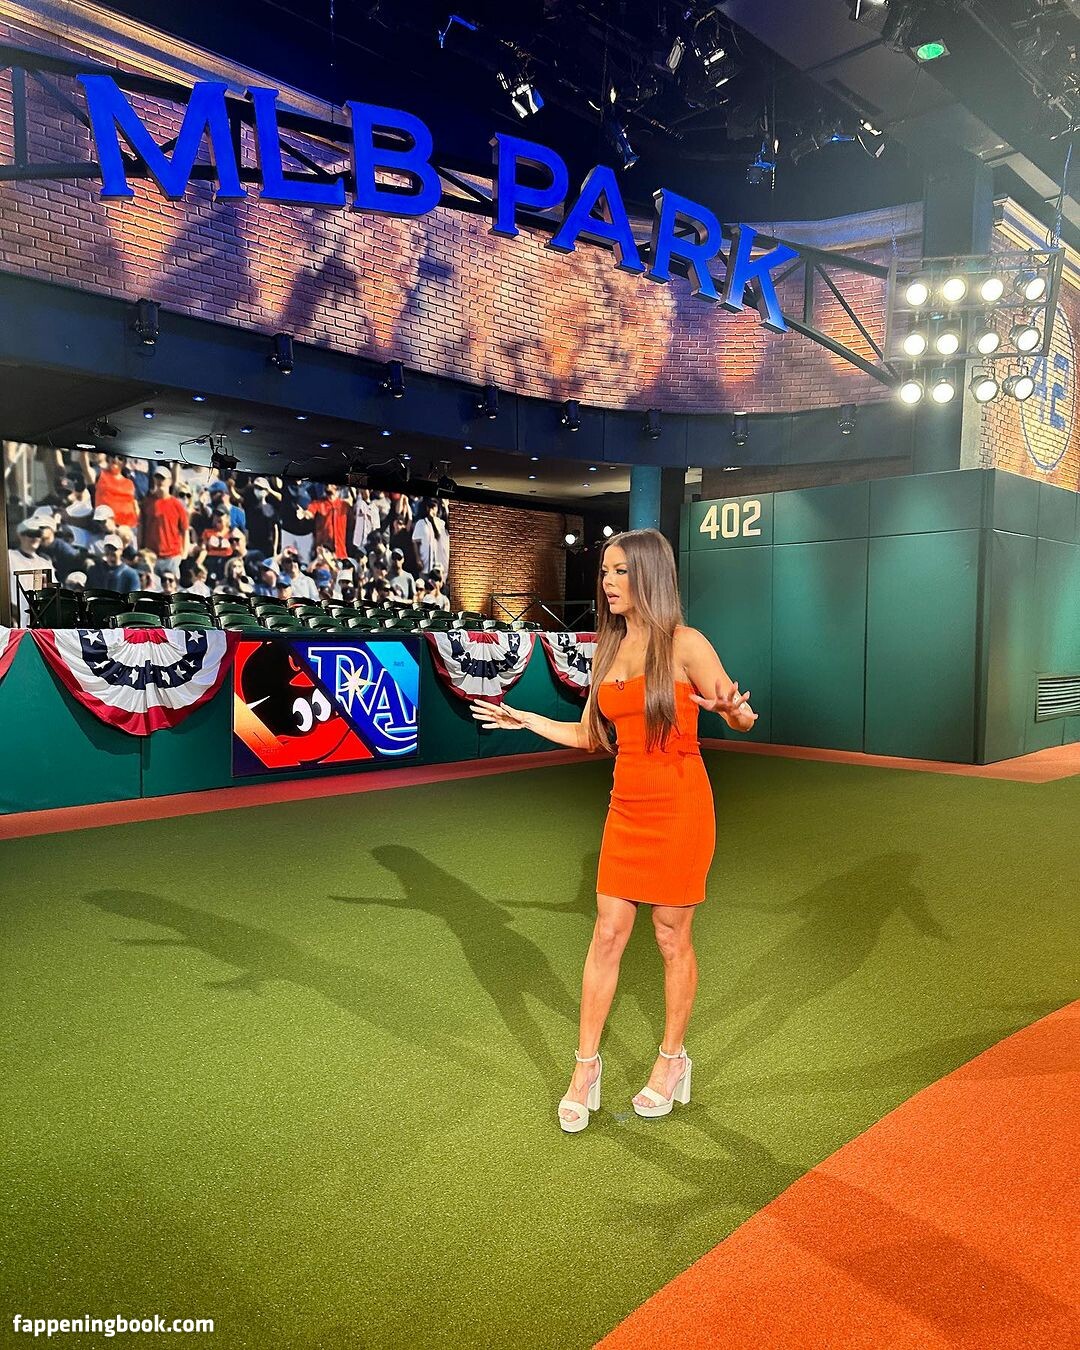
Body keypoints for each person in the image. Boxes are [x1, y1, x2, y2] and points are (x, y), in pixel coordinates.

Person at [469, 528, 758, 1134]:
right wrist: (524, 719)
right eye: (605, 572)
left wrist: (733, 711)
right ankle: (585, 1069)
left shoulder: (685, 644)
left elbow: (743, 715)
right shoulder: (608, 648)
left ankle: (672, 1061)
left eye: (621, 571)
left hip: (680, 806)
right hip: (626, 808)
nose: (608, 582)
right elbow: (589, 736)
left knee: (671, 937)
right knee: (606, 933)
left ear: (649, 575)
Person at [140, 469, 189, 574]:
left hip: (172, 556)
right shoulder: (147, 502)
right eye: (157, 478)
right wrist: (140, 548)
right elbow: (141, 527)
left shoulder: (177, 505)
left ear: (170, 481)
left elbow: (185, 530)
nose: (160, 481)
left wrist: (184, 554)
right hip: (151, 556)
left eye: (163, 478)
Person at [8, 519, 56, 624]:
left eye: (38, 534)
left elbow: (52, 592)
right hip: (13, 619)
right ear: (20, 535)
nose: (34, 538)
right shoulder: (8, 557)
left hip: (39, 620)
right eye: (30, 534)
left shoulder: (45, 563)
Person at [306, 482, 349, 557]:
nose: (328, 486)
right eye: (326, 484)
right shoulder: (318, 504)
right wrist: (304, 514)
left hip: (340, 552)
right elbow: (310, 512)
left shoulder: (345, 506)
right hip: (323, 552)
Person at [411, 496, 449, 577]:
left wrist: (433, 521)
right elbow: (415, 542)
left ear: (437, 508)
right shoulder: (420, 523)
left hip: (438, 565)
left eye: (434, 507)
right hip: (425, 563)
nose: (432, 509)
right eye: (430, 506)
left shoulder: (441, 523)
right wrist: (418, 559)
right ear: (427, 508)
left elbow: (438, 536)